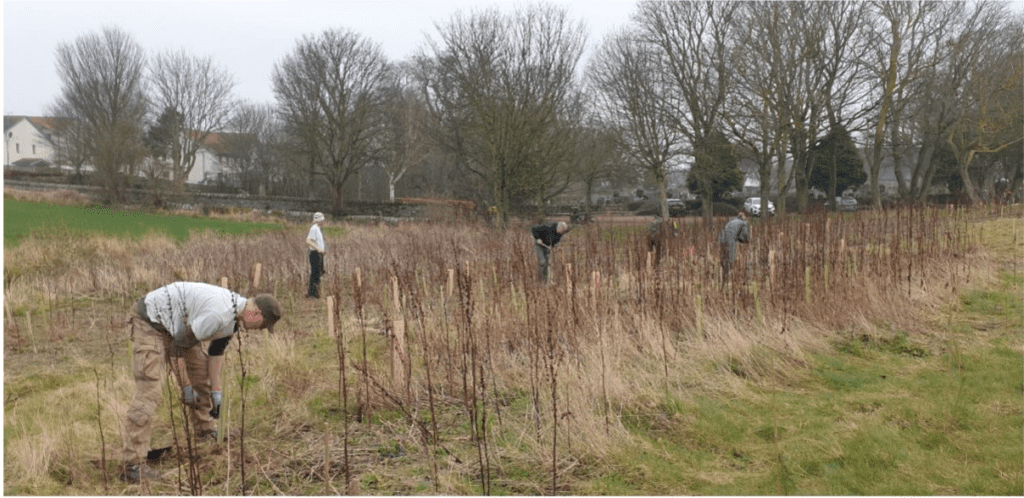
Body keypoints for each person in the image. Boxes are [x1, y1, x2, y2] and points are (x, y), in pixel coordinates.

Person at [121, 282, 282, 483]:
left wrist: (217, 392)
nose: (260, 330)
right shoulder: (220, 314)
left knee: (200, 372)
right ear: (255, 314)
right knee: (150, 391)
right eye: (263, 325)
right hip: (150, 321)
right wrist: (186, 387)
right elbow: (176, 350)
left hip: (178, 327)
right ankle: (133, 464)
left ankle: (205, 430)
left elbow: (216, 353)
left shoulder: (233, 317)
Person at [718, 210, 750, 278]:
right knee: (730, 257)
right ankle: (728, 274)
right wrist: (747, 240)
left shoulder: (731, 221)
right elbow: (745, 234)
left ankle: (724, 271)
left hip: (721, 239)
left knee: (724, 256)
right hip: (730, 240)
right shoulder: (743, 223)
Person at [306, 212, 326, 298]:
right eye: (322, 220)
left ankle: (314, 293)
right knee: (315, 274)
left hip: (318, 254)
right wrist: (318, 249)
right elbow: (308, 240)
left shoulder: (317, 228)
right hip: (315, 254)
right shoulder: (314, 228)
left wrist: (322, 250)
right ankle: (313, 295)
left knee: (317, 274)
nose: (323, 222)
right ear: (320, 220)